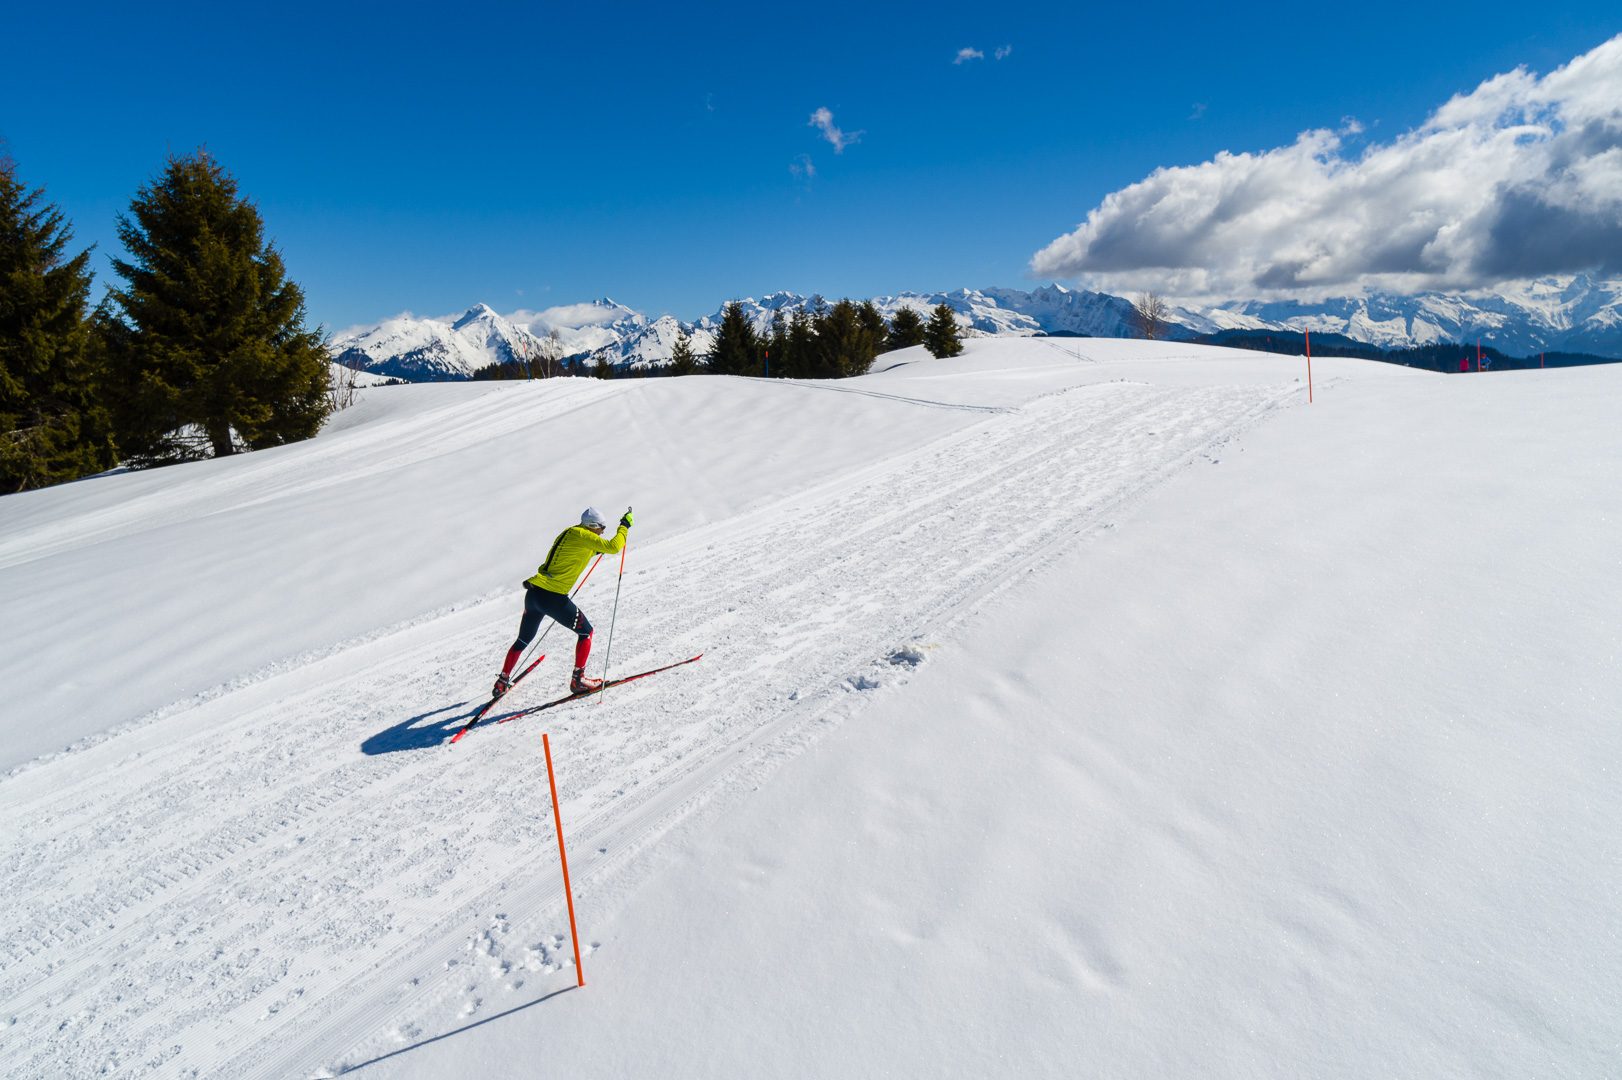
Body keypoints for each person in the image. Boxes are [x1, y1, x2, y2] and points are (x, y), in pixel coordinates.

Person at [494, 505, 632, 698]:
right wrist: (624, 526)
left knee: (523, 639)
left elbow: (580, 552)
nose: (602, 533)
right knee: (586, 632)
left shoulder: (572, 533)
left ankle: (502, 681)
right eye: (601, 529)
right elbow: (614, 546)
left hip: (534, 595)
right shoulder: (583, 535)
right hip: (553, 597)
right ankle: (578, 680)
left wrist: (597, 551)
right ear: (593, 526)